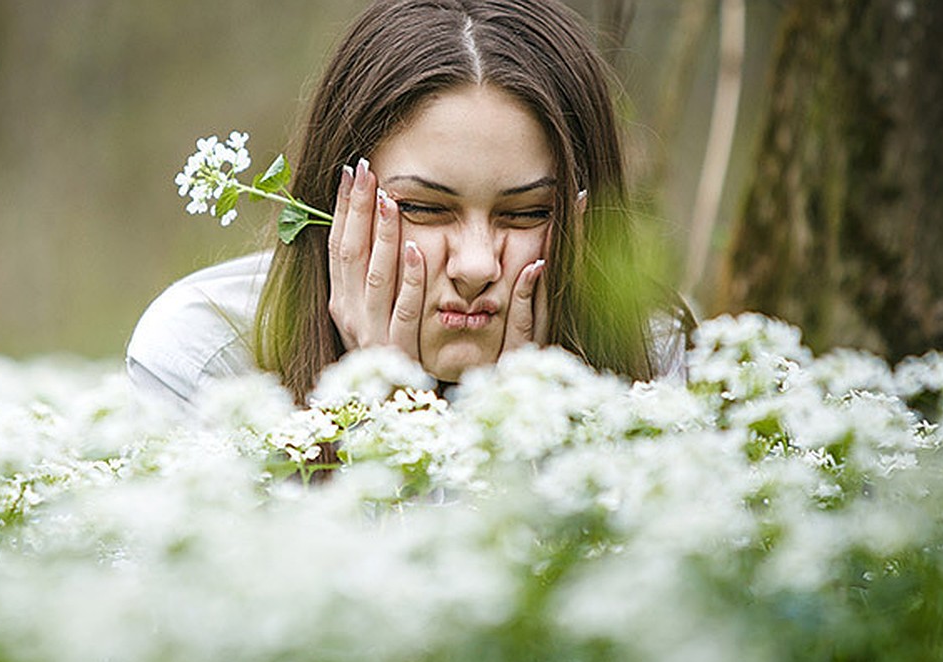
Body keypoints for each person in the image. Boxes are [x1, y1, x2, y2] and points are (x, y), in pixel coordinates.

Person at [127, 0, 694, 408]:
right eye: (424, 208)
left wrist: (519, 426)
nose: (476, 266)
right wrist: (383, 414)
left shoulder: (654, 365)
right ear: (335, 208)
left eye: (527, 214)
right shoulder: (205, 359)